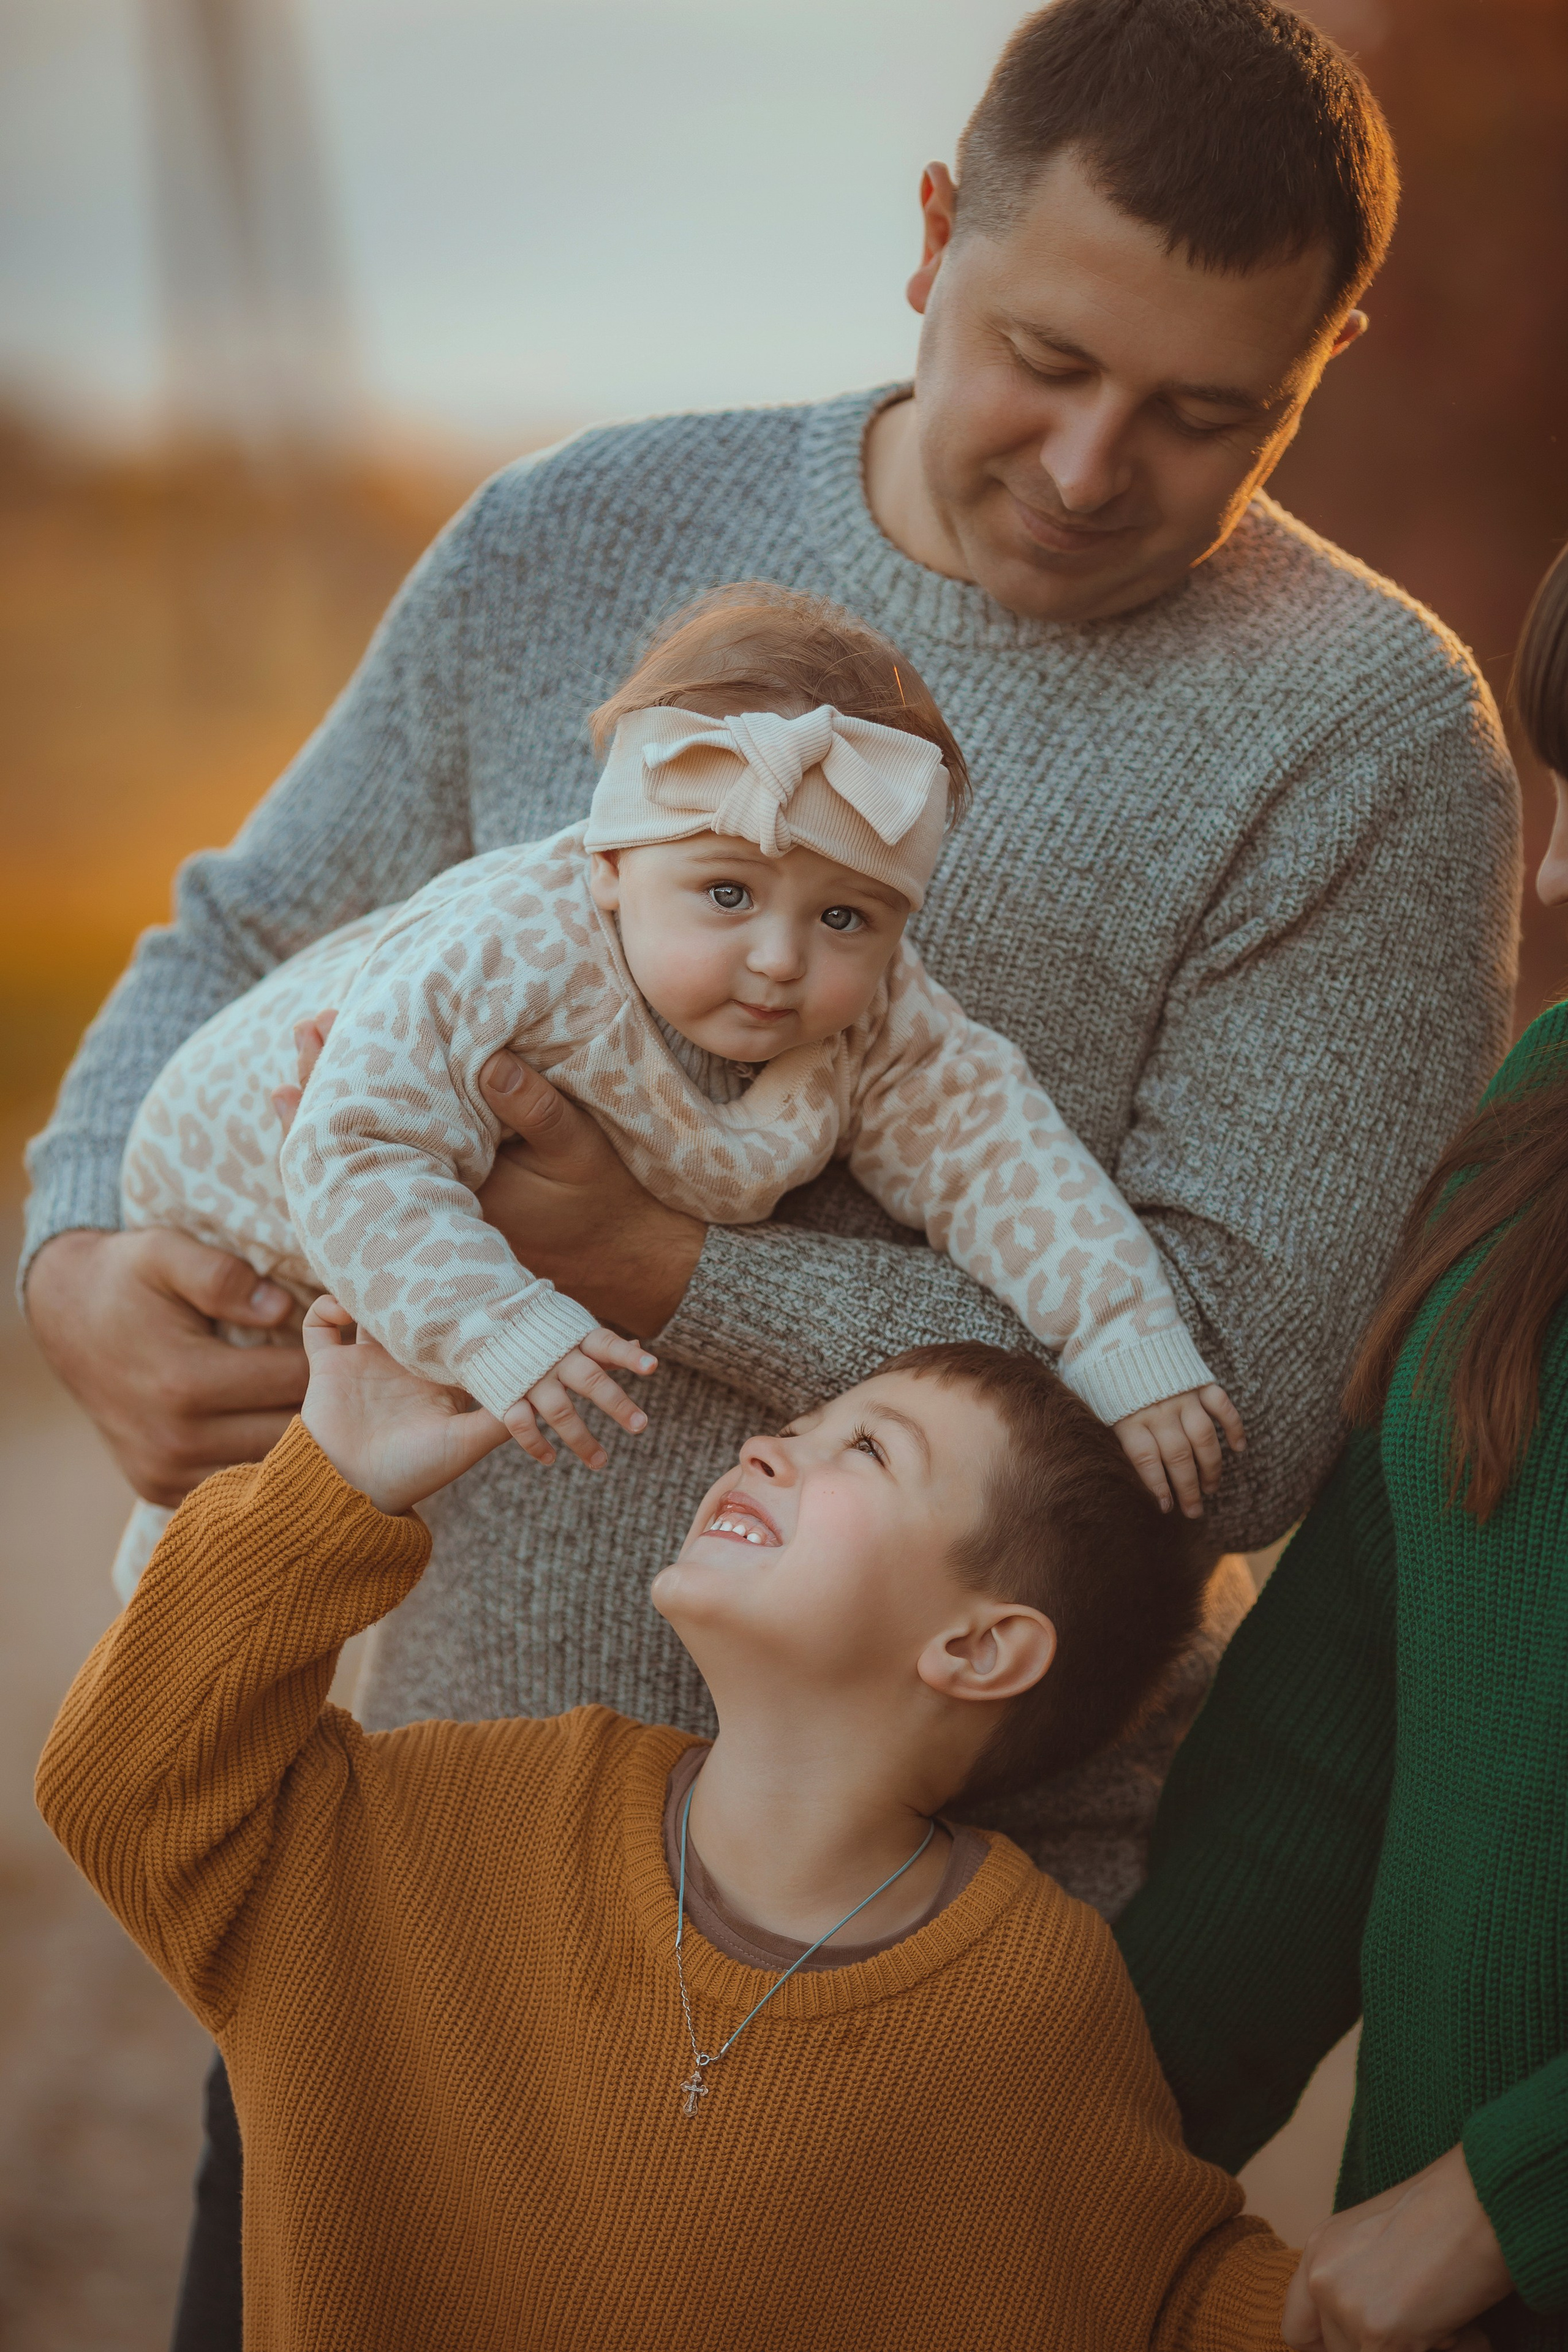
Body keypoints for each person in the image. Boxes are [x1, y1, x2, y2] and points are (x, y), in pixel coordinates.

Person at [17, 0, 1520, 2332]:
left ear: (1316, 369)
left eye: (1207, 411)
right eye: (1043, 354)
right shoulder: (579, 529)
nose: (1099, 461)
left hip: (899, 1989)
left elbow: (1217, 1409)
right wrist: (75, 1245)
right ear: (934, 234)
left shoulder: (1371, 743)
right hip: (404, 1888)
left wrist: (641, 1265)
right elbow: (255, 930)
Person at [40, 1314, 1297, 2350]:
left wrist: (1467, 2227)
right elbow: (126, 1790)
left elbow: (1173, 2302)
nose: (766, 1446)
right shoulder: (478, 1817)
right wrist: (334, 1482)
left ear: (975, 1646)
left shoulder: (1027, 1997)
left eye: (863, 1448)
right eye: (793, 1424)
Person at [113, 584, 1238, 1600]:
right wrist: (503, 1324)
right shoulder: (511, 951)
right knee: (239, 1483)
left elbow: (997, 1154)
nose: (782, 959)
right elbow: (355, 1143)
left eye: (844, 916)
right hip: (249, 1173)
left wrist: (1123, 1341)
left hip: (413, 1181)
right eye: (727, 893)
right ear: (609, 865)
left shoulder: (883, 1011)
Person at [1115, 544, 1568, 2352]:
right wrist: (1029, 2141)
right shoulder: (1543, 1113)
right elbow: (1326, 1760)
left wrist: (1509, 2194)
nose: (1553, 871)